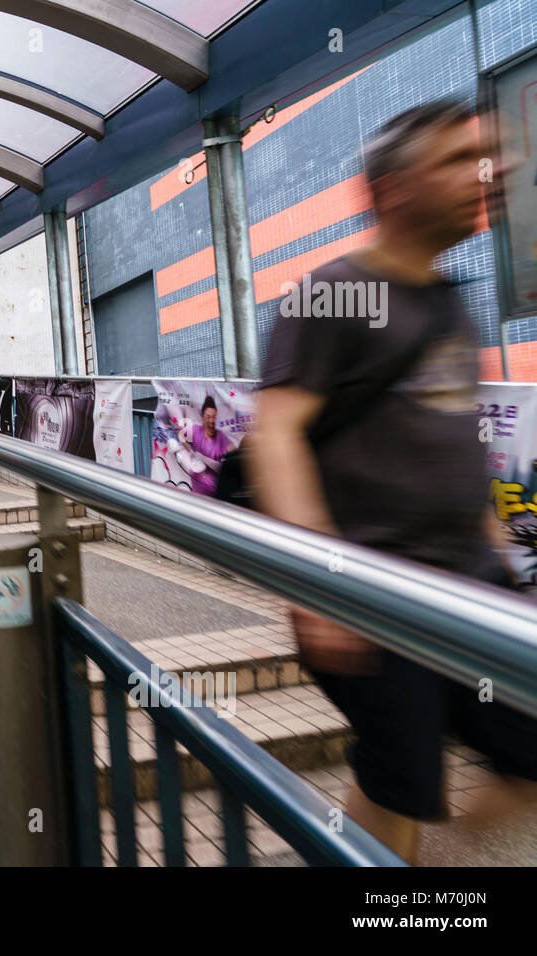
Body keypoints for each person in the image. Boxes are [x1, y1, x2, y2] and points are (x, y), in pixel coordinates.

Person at [248, 99, 537, 863]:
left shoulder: (450, 299)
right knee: (401, 784)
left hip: (470, 588)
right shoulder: (332, 293)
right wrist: (320, 585)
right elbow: (274, 432)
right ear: (396, 188)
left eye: (493, 156)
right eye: (462, 159)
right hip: (376, 597)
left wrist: (499, 551)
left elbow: (452, 435)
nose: (493, 171)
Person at [177, 395, 232, 496]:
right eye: (208, 417)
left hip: (217, 494)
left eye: (214, 417)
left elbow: (232, 450)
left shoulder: (221, 437)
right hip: (198, 495)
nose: (211, 420)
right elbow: (180, 434)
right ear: (202, 417)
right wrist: (190, 451)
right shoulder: (195, 430)